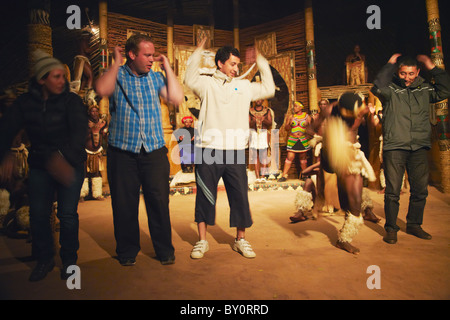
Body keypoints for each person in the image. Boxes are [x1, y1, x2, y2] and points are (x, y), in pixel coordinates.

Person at [95, 34, 183, 266]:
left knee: (159, 202)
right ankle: (127, 251)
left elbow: (176, 97)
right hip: (123, 152)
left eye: (153, 54)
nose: (151, 59)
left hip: (153, 150)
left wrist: (168, 69)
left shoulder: (155, 78)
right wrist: (115, 62)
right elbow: (101, 88)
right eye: (147, 54)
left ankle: (164, 250)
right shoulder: (119, 76)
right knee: (124, 204)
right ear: (132, 55)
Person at [0, 50, 88, 281]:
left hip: (70, 163)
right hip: (40, 164)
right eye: (56, 77)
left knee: (67, 214)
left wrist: (61, 158)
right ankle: (45, 259)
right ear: (41, 80)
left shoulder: (72, 101)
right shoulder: (26, 103)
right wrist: (6, 154)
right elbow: (6, 128)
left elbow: (79, 136)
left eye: (63, 76)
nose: (63, 81)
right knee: (39, 214)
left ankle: (69, 261)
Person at [184, 39, 275, 259]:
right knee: (205, 196)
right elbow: (188, 77)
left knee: (239, 196)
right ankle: (202, 241)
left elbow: (269, 89)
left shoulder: (243, 86)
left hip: (235, 150)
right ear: (220, 63)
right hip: (209, 149)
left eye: (237, 65)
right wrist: (198, 51)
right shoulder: (206, 84)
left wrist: (260, 61)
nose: (236, 69)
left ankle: (240, 240)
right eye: (232, 64)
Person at [371, 53, 450, 244]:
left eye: (411, 73)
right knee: (392, 191)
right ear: (398, 72)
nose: (407, 78)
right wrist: (390, 63)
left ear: (418, 72)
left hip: (419, 147)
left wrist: (431, 66)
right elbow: (377, 86)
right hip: (395, 147)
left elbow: (445, 89)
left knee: (420, 190)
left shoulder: (424, 89)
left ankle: (414, 224)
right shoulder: (390, 89)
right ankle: (391, 228)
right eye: (403, 73)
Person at [321, 91, 377, 254]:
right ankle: (344, 238)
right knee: (351, 199)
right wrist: (326, 141)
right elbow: (311, 129)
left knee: (353, 199)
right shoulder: (331, 111)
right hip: (334, 156)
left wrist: (372, 116)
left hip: (353, 155)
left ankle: (345, 236)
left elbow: (373, 126)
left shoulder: (363, 110)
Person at [80, 103, 107, 201]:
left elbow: (104, 135)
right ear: (89, 112)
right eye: (92, 111)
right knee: (85, 173)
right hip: (87, 151)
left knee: (96, 173)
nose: (94, 113)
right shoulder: (85, 123)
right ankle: (82, 194)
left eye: (96, 111)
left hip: (97, 152)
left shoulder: (102, 123)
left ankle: (97, 194)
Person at [278, 101, 311, 182]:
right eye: (294, 106)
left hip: (303, 139)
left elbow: (310, 128)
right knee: (290, 157)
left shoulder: (307, 117)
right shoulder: (291, 116)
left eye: (296, 106)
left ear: (301, 107)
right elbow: (286, 128)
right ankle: (284, 175)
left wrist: (307, 136)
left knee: (303, 158)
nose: (294, 108)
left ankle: (305, 175)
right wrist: (290, 122)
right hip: (293, 139)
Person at [249, 99, 273, 182]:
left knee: (263, 155)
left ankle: (262, 176)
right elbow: (248, 123)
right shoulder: (250, 111)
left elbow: (270, 123)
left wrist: (263, 120)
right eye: (257, 99)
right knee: (255, 155)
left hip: (263, 133)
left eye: (260, 99)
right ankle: (257, 177)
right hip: (254, 133)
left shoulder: (267, 111)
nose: (258, 101)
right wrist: (254, 121)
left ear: (262, 100)